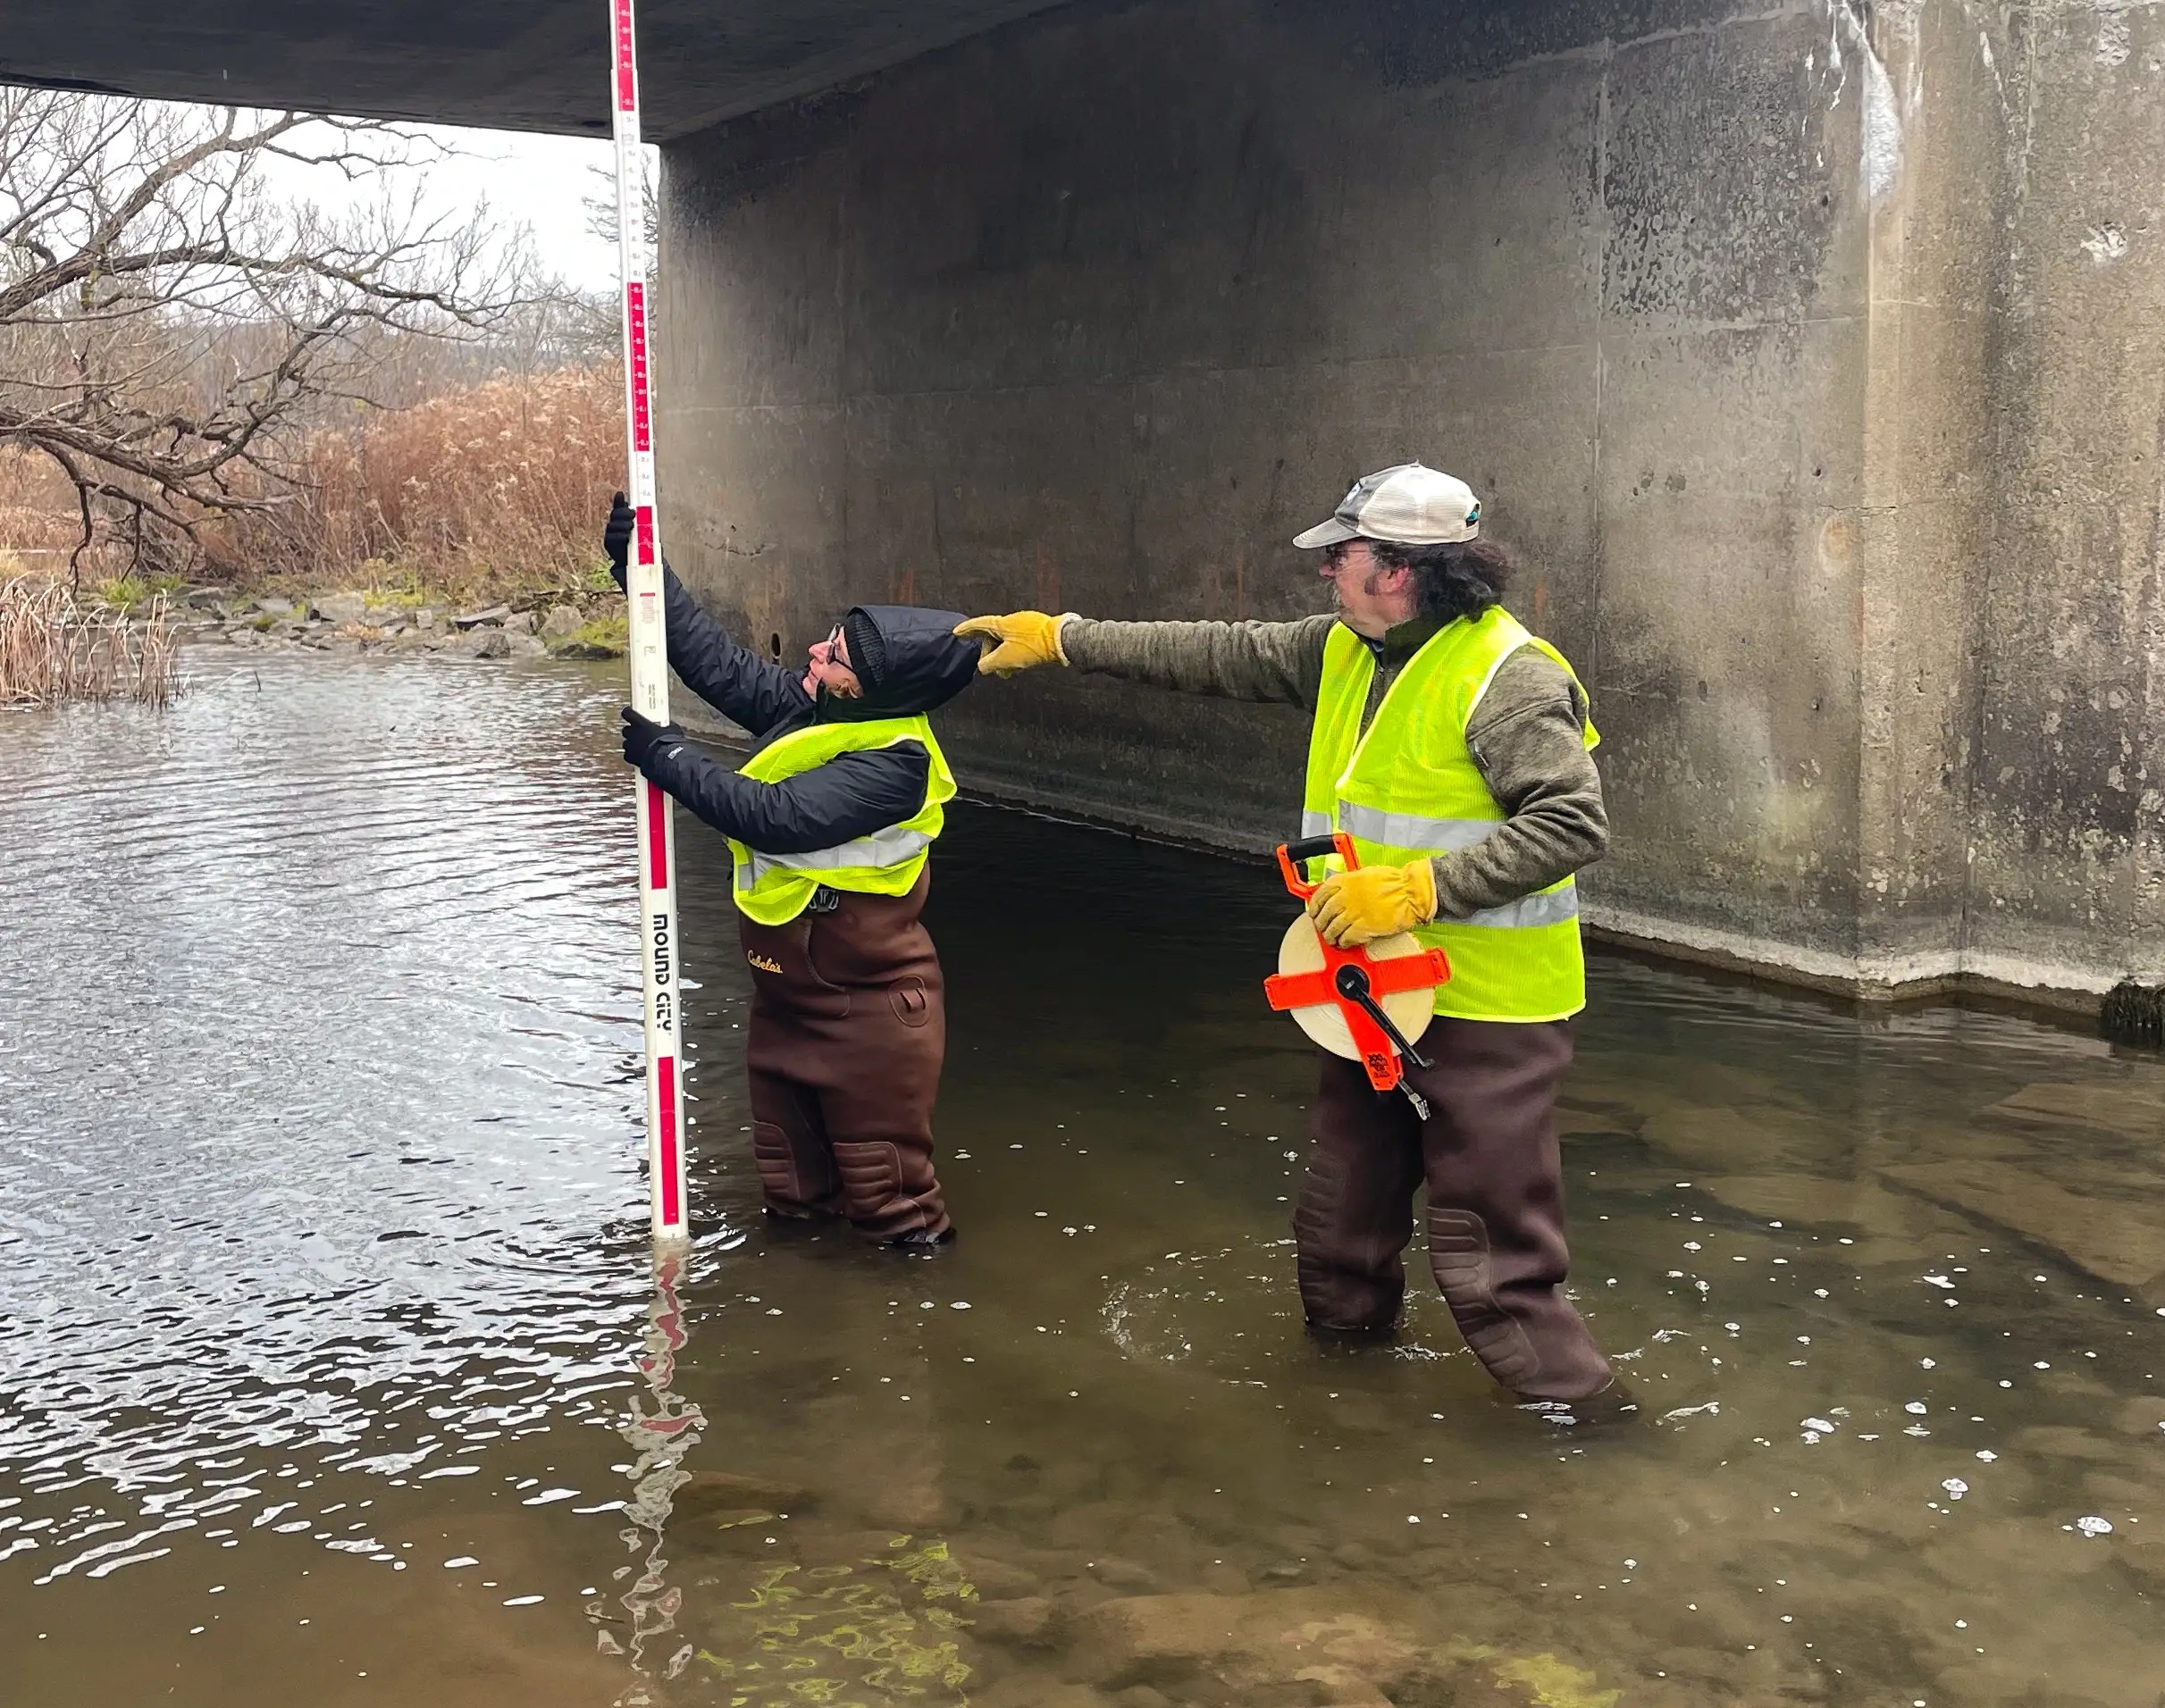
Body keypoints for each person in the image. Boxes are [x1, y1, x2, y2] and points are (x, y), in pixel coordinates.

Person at [964, 465, 1632, 1425]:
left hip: (1488, 1012)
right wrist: (1062, 639)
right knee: (1337, 1233)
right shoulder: (1348, 650)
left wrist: (1419, 886)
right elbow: (1209, 652)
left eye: (1341, 553)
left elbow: (1573, 823)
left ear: (1399, 569)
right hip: (1366, 999)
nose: (1325, 570)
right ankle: (1343, 1422)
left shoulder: (1510, 677)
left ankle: (1601, 1442)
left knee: (1492, 1265)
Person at [605, 495, 982, 1258]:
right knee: (792, 1200)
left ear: (872, 688)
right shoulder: (812, 712)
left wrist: (669, 757)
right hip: (784, 1007)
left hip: (869, 1021)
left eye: (834, 654)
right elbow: (714, 661)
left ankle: (915, 1346)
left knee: (894, 1212)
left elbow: (773, 817)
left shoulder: (897, 767)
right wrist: (640, 569)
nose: (813, 651)